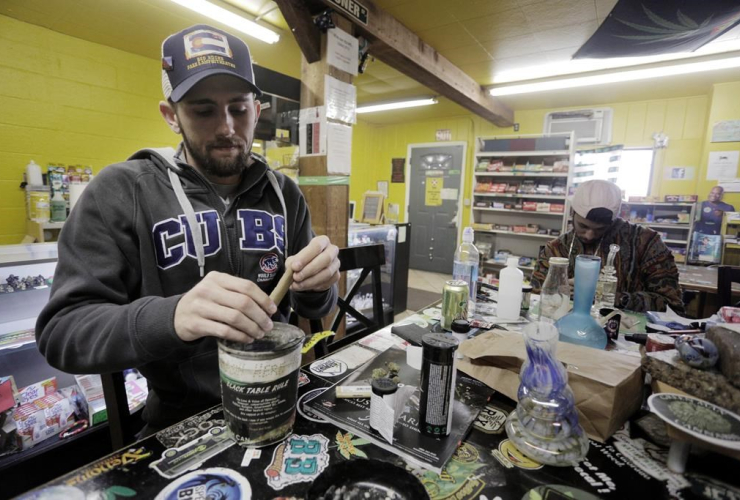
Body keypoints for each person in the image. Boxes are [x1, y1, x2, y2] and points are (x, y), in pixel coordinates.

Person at [35, 25, 339, 434]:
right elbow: (62, 333)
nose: (227, 127)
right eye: (203, 110)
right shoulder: (122, 192)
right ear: (171, 116)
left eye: (239, 108)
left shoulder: (283, 193)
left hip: (282, 402)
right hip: (181, 423)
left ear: (258, 109)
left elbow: (312, 308)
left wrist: (318, 286)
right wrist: (173, 315)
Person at [531, 180, 683, 313]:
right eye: (583, 226)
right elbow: (535, 295)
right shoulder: (557, 249)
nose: (589, 235)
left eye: (600, 229)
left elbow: (672, 305)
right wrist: (557, 292)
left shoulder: (646, 244)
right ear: (572, 212)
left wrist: (615, 298)